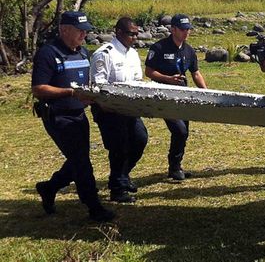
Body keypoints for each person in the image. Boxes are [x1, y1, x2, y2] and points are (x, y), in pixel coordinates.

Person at [32, 11, 115, 222]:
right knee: (81, 162)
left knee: (77, 160)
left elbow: (86, 84)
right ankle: (94, 207)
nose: (83, 35)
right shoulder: (48, 53)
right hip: (58, 116)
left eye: (85, 31)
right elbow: (39, 88)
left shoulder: (83, 53)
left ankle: (49, 187)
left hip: (79, 114)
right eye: (79, 31)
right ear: (64, 30)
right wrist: (69, 93)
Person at [90, 17, 149, 203]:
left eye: (137, 34)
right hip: (109, 110)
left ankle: (122, 176)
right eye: (132, 34)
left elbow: (137, 80)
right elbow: (98, 86)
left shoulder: (132, 53)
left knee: (140, 139)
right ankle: (117, 189)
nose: (135, 37)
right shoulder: (104, 54)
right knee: (119, 147)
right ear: (119, 32)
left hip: (130, 108)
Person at [145, 14, 207, 180]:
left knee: (184, 131)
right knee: (179, 130)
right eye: (182, 29)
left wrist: (206, 92)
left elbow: (195, 73)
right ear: (173, 29)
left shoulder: (188, 50)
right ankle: (174, 166)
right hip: (164, 96)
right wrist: (167, 79)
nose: (186, 32)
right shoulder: (159, 48)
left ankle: (176, 166)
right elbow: (149, 72)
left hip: (183, 96)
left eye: (188, 29)